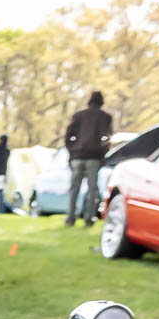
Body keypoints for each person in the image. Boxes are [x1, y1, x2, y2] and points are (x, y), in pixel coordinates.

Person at [64, 90, 112, 227]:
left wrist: (72, 149)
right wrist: (102, 152)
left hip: (77, 157)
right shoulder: (105, 117)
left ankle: (70, 217)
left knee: (74, 188)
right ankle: (89, 218)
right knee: (92, 189)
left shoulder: (78, 115)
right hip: (93, 158)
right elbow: (106, 138)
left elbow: (69, 136)